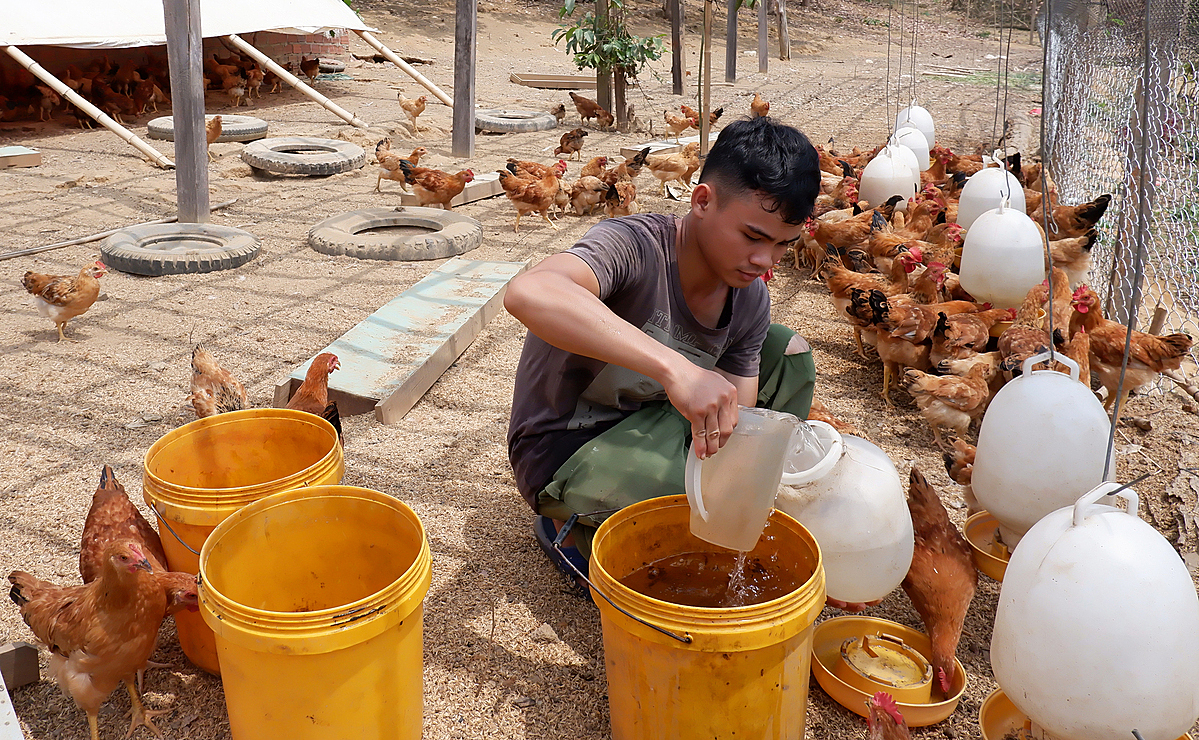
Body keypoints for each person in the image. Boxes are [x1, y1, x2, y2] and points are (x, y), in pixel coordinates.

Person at [504, 116, 821, 582]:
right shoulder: (634, 246)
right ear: (702, 200)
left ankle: (671, 517)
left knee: (786, 352)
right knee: (704, 508)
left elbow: (737, 424)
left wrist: (767, 490)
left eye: (782, 245)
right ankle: (566, 525)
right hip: (568, 446)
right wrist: (676, 369)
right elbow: (529, 292)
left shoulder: (749, 297)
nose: (764, 260)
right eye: (753, 236)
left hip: (656, 425)